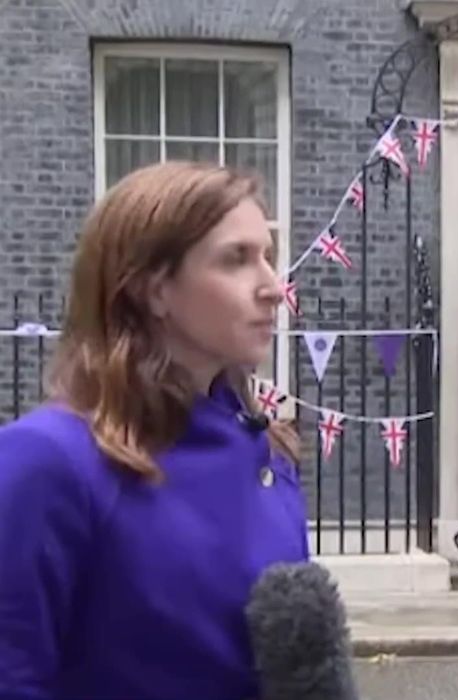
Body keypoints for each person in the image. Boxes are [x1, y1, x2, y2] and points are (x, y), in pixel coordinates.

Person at [0, 161, 310, 699]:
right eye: (236, 259)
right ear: (153, 289)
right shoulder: (48, 460)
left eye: (269, 257)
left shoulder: (270, 457)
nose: (272, 288)